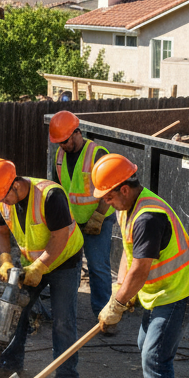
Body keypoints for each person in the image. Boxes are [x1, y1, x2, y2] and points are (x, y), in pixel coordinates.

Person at [92, 153, 189, 378]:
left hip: (179, 292)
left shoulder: (147, 217)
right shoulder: (127, 209)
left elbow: (141, 270)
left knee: (155, 357)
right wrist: (119, 291)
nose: (105, 202)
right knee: (146, 346)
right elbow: (129, 256)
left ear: (124, 189)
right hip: (161, 292)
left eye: (108, 196)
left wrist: (117, 304)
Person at [0, 157, 84, 378]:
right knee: (16, 311)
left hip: (64, 260)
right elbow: (0, 230)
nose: (2, 202)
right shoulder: (1, 198)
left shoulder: (50, 196)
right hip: (31, 262)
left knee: (63, 320)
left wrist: (40, 267)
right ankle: (10, 363)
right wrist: (4, 258)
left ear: (15, 185)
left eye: (4, 196)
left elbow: (60, 237)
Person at [48, 111, 115, 327]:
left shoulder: (97, 153)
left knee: (98, 268)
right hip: (73, 222)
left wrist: (98, 216)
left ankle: (104, 317)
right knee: (68, 267)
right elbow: (55, 189)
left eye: (65, 141)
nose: (63, 146)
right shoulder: (58, 156)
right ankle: (65, 315)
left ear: (77, 133)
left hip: (99, 219)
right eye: (59, 143)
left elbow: (110, 188)